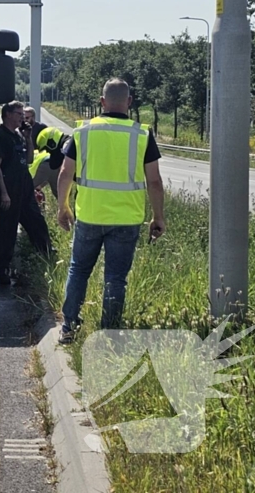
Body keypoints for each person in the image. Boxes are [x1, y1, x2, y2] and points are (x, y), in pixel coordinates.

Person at [56, 78, 166, 343]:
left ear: (101, 101)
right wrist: (158, 216)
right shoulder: (142, 134)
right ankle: (109, 334)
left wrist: (63, 206)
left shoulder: (82, 131)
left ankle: (69, 327)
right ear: (129, 102)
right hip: (126, 219)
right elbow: (154, 181)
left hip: (90, 215)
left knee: (79, 270)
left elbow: (65, 172)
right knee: (116, 279)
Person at [0, 101, 53, 285]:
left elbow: (30, 159)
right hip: (8, 189)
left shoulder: (18, 136)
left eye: (23, 114)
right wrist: (4, 193)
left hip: (24, 188)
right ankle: (2, 271)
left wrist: (28, 137)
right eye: (18, 113)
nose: (22, 117)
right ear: (8, 114)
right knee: (6, 232)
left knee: (37, 223)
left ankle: (47, 259)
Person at [29, 126, 68, 200]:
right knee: (61, 194)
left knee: (26, 189)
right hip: (48, 165)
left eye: (47, 149)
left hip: (45, 164)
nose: (47, 151)